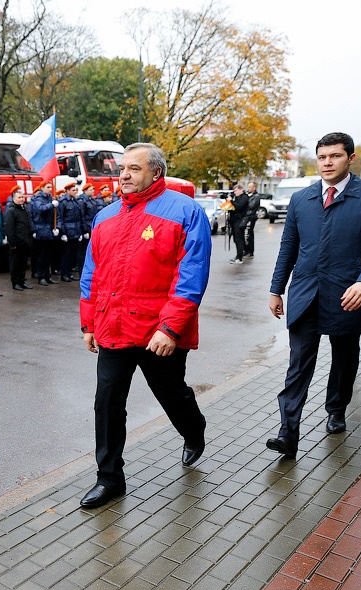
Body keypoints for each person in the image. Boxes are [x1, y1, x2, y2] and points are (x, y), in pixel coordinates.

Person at [78, 142, 211, 508]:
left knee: (171, 394)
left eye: (134, 168)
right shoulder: (104, 217)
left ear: (156, 172)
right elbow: (92, 273)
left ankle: (193, 429)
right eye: (122, 168)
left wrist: (170, 329)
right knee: (107, 401)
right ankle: (109, 478)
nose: (124, 175)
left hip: (159, 333)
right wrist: (89, 322)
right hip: (113, 327)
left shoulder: (185, 212)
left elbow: (191, 276)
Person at [267, 133, 361, 459]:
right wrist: (276, 288)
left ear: (350, 159)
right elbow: (289, 247)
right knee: (298, 364)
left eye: (335, 156)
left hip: (349, 294)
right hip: (306, 293)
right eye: (322, 157)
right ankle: (288, 432)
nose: (327, 162)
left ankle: (337, 408)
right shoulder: (302, 199)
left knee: (344, 356)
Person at [28, 182, 59, 286]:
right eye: (48, 187)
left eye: (51, 187)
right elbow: (41, 209)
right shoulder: (38, 198)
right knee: (41, 256)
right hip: (41, 230)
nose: (50, 189)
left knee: (48, 256)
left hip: (49, 230)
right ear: (42, 188)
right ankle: (41, 277)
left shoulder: (50, 198)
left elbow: (55, 214)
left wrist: (56, 227)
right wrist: (52, 205)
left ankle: (47, 276)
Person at [3, 186, 32, 291]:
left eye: (22, 197)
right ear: (14, 199)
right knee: (15, 264)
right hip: (17, 243)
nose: (21, 199)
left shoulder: (25, 209)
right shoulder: (11, 211)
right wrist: (12, 243)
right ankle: (15, 283)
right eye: (19, 197)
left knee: (23, 263)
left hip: (25, 241)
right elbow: (10, 228)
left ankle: (22, 281)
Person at [56, 182, 84, 282]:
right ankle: (64, 274)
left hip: (75, 231)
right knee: (66, 255)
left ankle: (69, 273)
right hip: (67, 232)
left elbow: (79, 218)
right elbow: (60, 218)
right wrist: (62, 233)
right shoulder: (63, 202)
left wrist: (80, 232)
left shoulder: (75, 201)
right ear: (67, 191)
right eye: (73, 190)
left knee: (72, 254)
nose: (75, 191)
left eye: (75, 190)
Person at [229, 184, 248, 264]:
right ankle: (238, 255)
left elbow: (239, 206)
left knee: (239, 239)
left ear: (241, 190)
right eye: (234, 191)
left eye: (236, 190)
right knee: (236, 239)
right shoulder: (236, 198)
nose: (235, 192)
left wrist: (231, 201)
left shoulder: (244, 197)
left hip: (239, 221)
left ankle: (239, 257)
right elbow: (234, 208)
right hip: (234, 221)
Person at [243, 182, 261, 258]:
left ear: (254, 188)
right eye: (248, 187)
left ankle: (250, 251)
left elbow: (251, 205)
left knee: (249, 234)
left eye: (250, 187)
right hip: (246, 217)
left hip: (251, 217)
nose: (248, 188)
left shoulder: (256, 196)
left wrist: (246, 200)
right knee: (245, 234)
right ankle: (246, 250)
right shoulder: (249, 195)